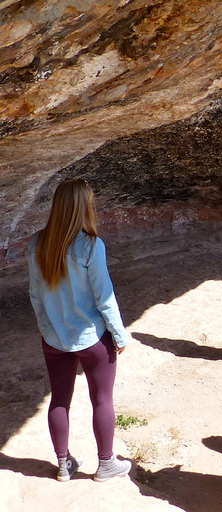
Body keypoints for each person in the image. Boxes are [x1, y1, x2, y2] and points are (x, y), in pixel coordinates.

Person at [27, 178, 132, 482]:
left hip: (54, 338)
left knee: (59, 400)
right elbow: (104, 295)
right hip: (91, 337)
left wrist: (46, 329)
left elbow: (35, 295)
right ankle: (107, 463)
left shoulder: (37, 243)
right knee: (102, 400)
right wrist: (119, 334)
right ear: (84, 206)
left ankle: (63, 464)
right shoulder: (90, 245)